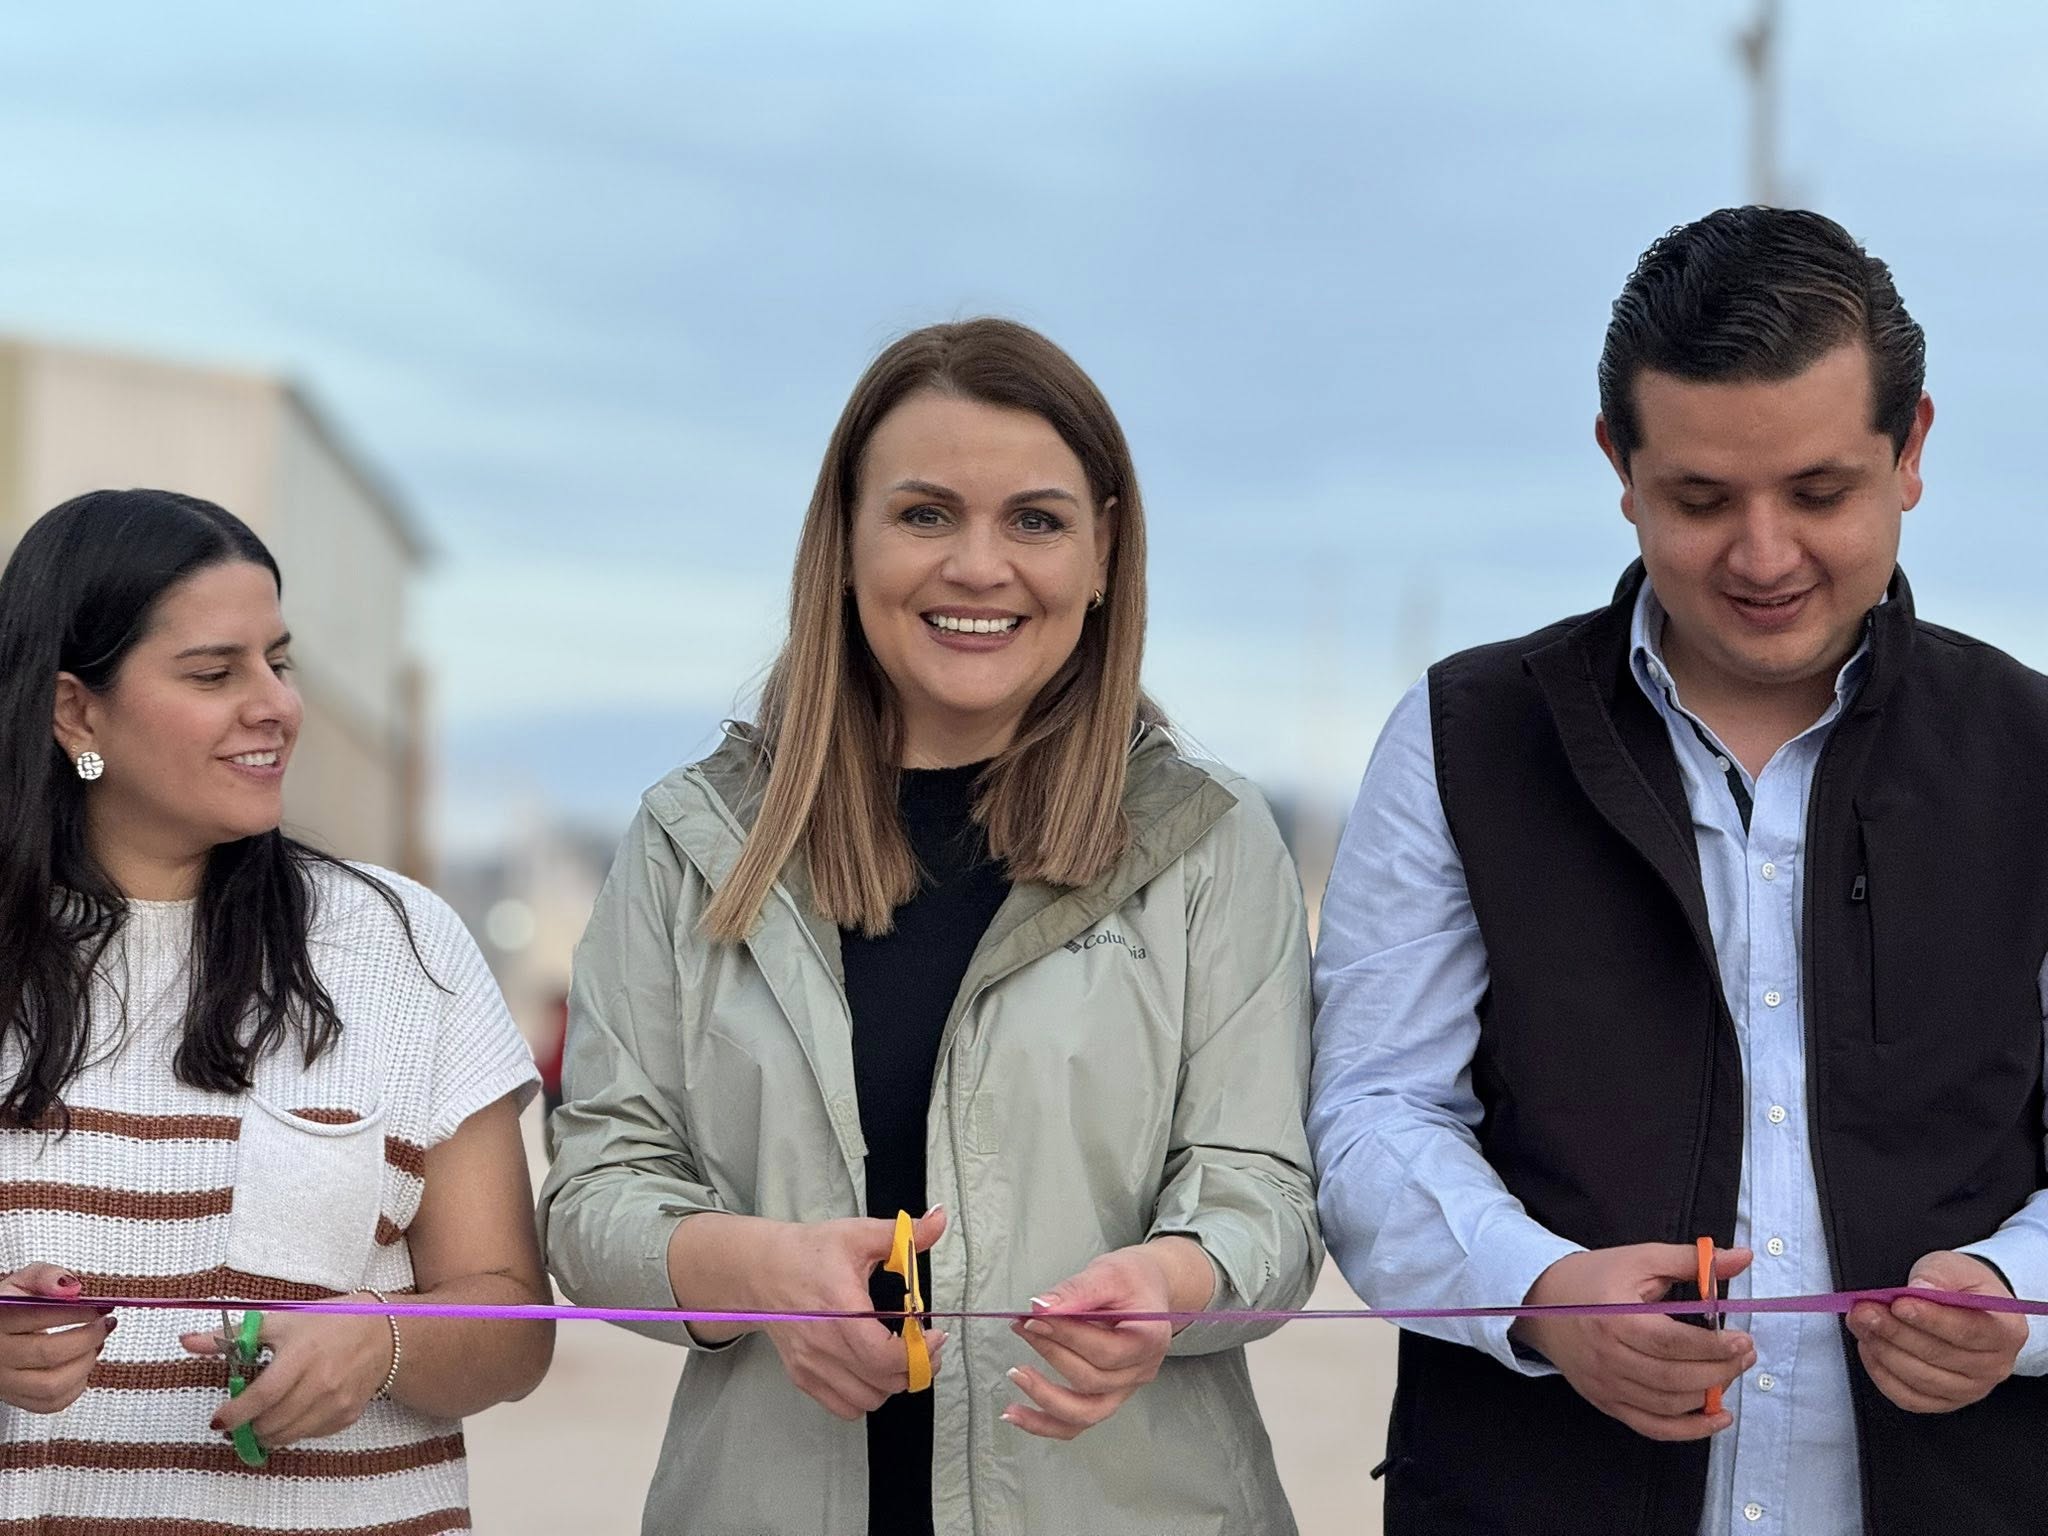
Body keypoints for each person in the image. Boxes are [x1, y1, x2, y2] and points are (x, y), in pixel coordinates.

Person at [1309, 206, 2048, 1535]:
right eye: (1701, 500)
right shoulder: (1462, 735)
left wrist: (2015, 1297)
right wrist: (1538, 1292)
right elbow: (1372, 1110)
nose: (1762, 557)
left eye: (1818, 493)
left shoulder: (2033, 752)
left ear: (1911, 451)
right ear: (1619, 464)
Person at [539, 318, 1320, 1535]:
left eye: (1035, 520)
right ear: (844, 545)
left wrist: (1172, 1282)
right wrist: (755, 1271)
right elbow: (596, 1191)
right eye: (924, 514)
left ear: (1103, 554)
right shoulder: (692, 842)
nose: (977, 566)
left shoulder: (1208, 842)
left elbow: (1263, 1189)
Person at [0, 489, 553, 1533]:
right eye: (215, 673)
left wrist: (382, 1341)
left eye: (279, 661)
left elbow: (514, 1326)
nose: (276, 706)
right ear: (76, 712)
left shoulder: (402, 946)